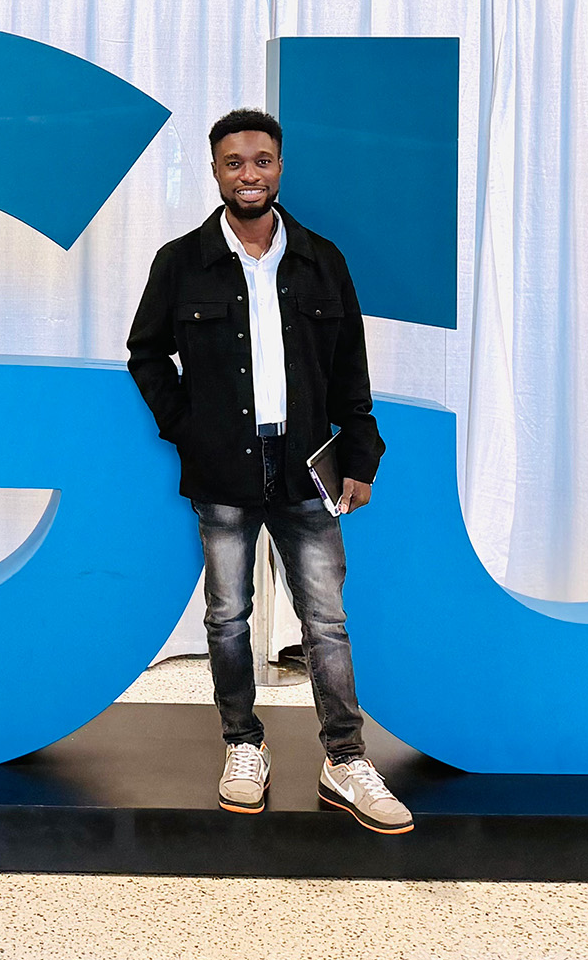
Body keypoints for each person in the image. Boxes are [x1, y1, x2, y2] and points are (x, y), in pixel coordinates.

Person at [126, 108, 413, 833]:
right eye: (233, 163)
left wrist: (361, 450)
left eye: (260, 161)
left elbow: (350, 367)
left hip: (305, 469)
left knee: (326, 620)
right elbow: (146, 353)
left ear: (278, 167)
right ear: (214, 171)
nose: (248, 174)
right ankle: (242, 745)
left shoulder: (322, 258)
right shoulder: (179, 261)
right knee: (226, 618)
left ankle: (344, 758)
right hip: (220, 470)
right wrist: (185, 430)